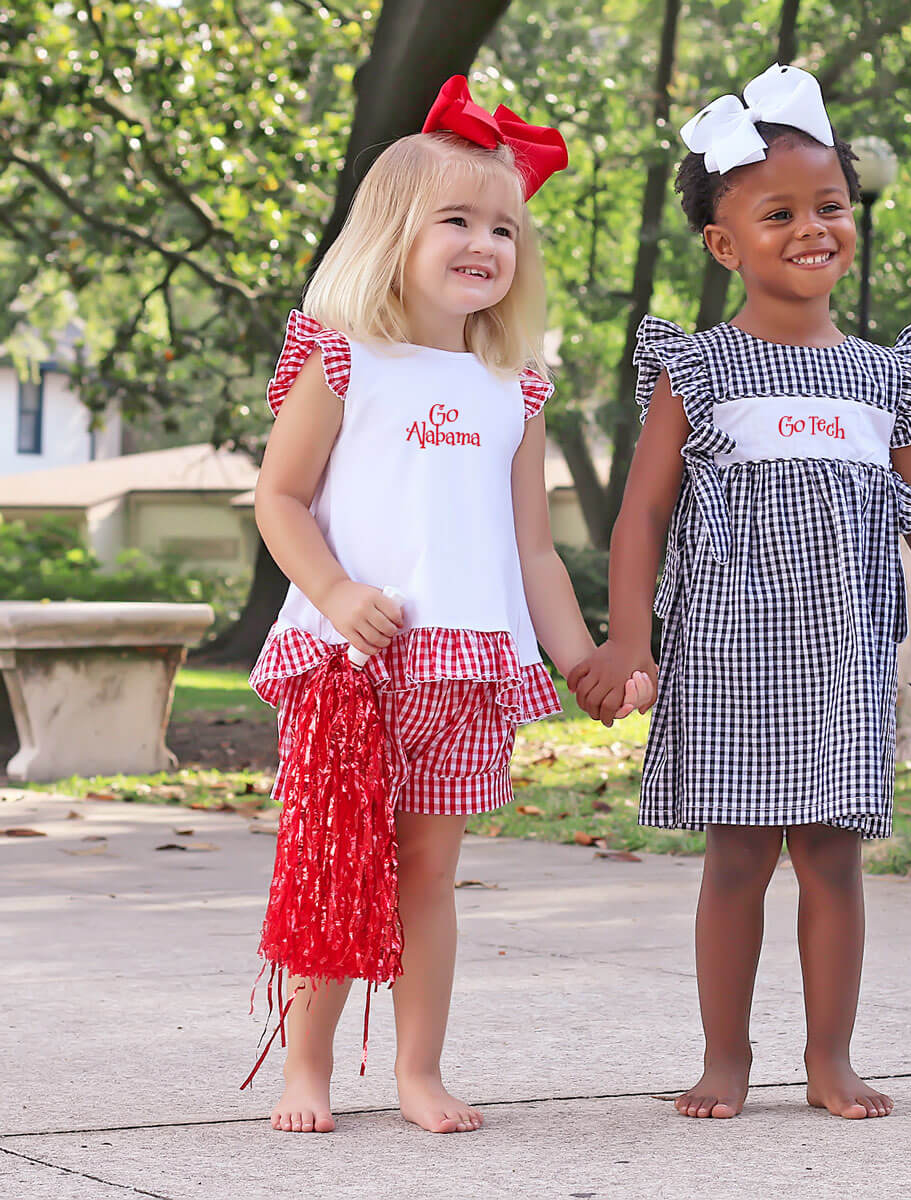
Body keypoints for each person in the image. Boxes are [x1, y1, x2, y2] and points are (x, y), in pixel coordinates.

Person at [569, 65, 911, 1121]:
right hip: (728, 650)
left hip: (843, 655)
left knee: (831, 858)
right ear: (725, 245)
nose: (813, 228)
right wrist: (629, 640)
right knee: (735, 857)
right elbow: (642, 515)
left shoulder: (880, 376)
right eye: (780, 214)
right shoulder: (701, 369)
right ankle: (725, 1058)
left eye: (831, 207)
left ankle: (829, 1060)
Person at [251, 76, 650, 1136]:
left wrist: (582, 660)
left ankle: (419, 1071)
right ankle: (307, 1069)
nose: (486, 243)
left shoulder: (512, 387)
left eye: (505, 228)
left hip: (467, 673)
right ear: (393, 234)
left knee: (429, 872)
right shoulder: (343, 361)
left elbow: (533, 550)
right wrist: (335, 592)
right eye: (459, 221)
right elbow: (278, 498)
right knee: (336, 863)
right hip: (351, 664)